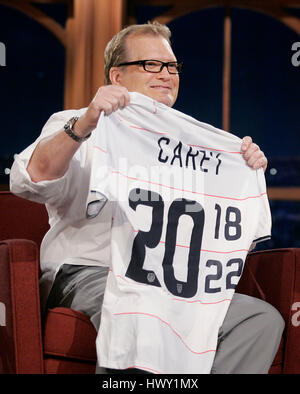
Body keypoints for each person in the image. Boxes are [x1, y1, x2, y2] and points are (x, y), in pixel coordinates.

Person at [10, 21, 284, 374]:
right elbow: (29, 180)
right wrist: (86, 122)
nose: (166, 74)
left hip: (170, 281)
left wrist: (241, 171)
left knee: (259, 319)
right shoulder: (80, 123)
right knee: (144, 305)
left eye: (171, 66)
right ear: (117, 77)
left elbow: (217, 234)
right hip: (89, 272)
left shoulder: (193, 150)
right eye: (150, 65)